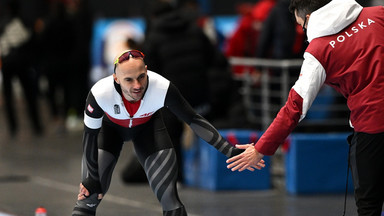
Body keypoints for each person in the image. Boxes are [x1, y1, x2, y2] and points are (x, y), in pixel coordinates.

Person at [226, 0, 384, 216]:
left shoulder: (317, 51)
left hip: (372, 128)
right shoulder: (378, 14)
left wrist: (261, 148)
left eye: (302, 26)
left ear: (308, 19)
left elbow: (294, 108)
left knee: (369, 205)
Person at [71, 49, 265, 216]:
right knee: (89, 196)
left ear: (147, 71)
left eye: (141, 77)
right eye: (128, 80)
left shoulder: (162, 87)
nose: (137, 86)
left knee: (170, 200)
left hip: (147, 130)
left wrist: (229, 150)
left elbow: (194, 120)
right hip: (109, 132)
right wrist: (92, 179)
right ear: (116, 79)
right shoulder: (100, 93)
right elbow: (90, 136)